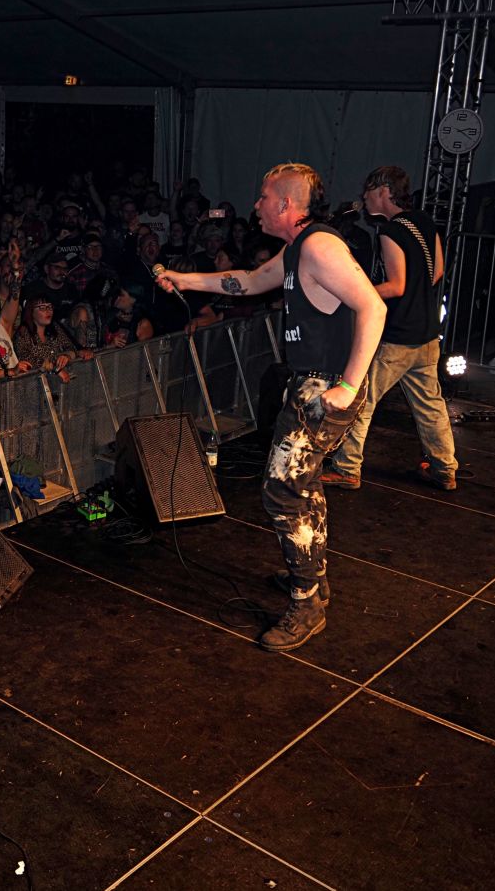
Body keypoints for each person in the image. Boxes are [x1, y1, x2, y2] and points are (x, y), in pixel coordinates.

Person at [157, 162, 385, 652]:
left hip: (325, 387)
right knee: (302, 485)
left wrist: (348, 386)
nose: (256, 205)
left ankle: (307, 603)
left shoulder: (320, 246)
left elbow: (374, 306)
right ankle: (313, 580)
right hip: (310, 384)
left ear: (286, 204)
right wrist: (186, 280)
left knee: (282, 490)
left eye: (263, 197)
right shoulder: (298, 248)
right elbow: (247, 281)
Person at [323, 167, 457, 492]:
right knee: (430, 404)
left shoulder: (390, 230)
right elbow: (437, 271)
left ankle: (347, 468)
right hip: (427, 331)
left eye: (368, 191)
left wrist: (356, 293)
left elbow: (396, 286)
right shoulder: (424, 220)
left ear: (384, 190)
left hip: (398, 335)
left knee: (361, 399)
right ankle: (444, 469)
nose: (364, 198)